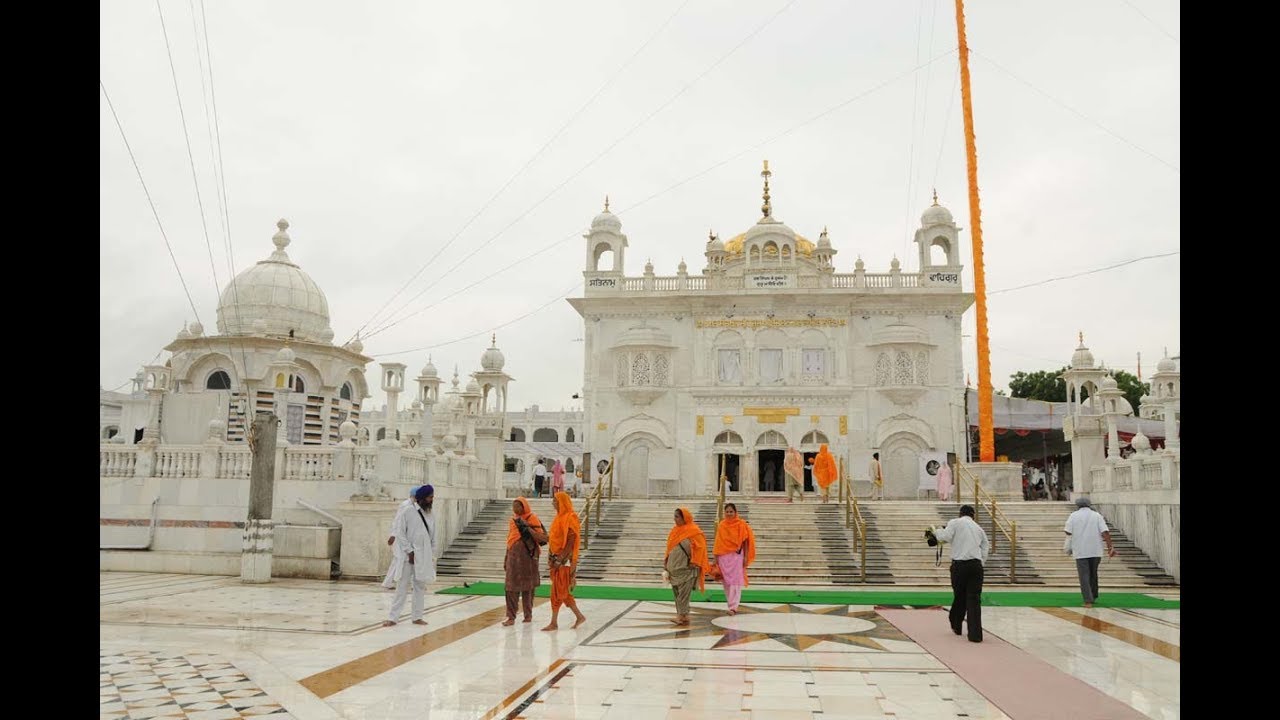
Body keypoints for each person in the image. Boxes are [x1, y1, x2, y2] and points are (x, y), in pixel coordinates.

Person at [929, 504, 990, 642]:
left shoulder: (955, 523)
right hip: (976, 566)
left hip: (960, 566)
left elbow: (945, 536)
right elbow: (986, 546)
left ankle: (956, 623)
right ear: (973, 515)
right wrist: (981, 562)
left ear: (960, 514)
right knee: (974, 599)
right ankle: (975, 635)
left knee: (959, 595)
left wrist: (936, 531)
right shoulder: (979, 528)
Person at [383, 485, 437, 627]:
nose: (432, 499)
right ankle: (393, 618)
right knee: (402, 586)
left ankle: (417, 616)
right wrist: (409, 551)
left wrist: (431, 554)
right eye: (429, 497)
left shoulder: (430, 514)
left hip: (423, 557)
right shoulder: (407, 511)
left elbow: (432, 537)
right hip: (408, 556)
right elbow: (400, 533)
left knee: (419, 587)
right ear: (422, 498)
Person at [542, 491, 587, 631]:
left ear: (562, 502)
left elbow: (571, 541)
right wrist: (551, 555)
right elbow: (554, 539)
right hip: (556, 559)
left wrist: (561, 558)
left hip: (564, 561)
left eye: (555, 501)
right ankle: (579, 616)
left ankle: (554, 622)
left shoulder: (570, 518)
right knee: (562, 592)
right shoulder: (558, 518)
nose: (553, 503)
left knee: (557, 592)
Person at [1064, 497, 1116, 608]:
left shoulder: (1073, 516)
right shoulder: (1096, 516)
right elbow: (1105, 532)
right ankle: (1094, 595)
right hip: (1096, 550)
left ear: (1078, 505)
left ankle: (1088, 600)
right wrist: (1110, 547)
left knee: (1084, 576)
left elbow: (1067, 531)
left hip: (1081, 550)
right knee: (1093, 573)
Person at [502, 497, 546, 626]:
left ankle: (528, 614)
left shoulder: (532, 518)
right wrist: (506, 558)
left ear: (524, 507)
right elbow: (510, 540)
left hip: (528, 558)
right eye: (513, 506)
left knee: (528, 587)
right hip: (513, 558)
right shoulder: (513, 521)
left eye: (518, 506)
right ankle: (511, 616)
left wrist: (527, 527)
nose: (515, 509)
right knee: (510, 587)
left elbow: (542, 538)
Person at [663, 507, 709, 626]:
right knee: (677, 593)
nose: (675, 519)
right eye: (674, 516)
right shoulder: (674, 531)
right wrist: (666, 562)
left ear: (684, 518)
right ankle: (684, 615)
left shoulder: (694, 531)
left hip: (687, 569)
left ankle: (680, 615)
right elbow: (669, 548)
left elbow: (701, 548)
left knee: (684, 594)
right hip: (674, 568)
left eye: (677, 517)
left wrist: (695, 561)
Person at [711, 503, 755, 615]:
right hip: (723, 557)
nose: (729, 514)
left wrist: (745, 557)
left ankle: (734, 607)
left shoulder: (741, 524)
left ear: (735, 513)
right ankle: (730, 604)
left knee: (735, 582)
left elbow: (745, 541)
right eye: (727, 512)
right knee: (726, 582)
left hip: (737, 556)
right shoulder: (722, 525)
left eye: (731, 511)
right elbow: (718, 542)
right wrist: (715, 558)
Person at [381, 485, 421, 590]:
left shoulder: (415, 506)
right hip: (401, 539)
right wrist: (393, 535)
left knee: (409, 561)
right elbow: (398, 521)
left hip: (410, 538)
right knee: (399, 560)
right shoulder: (405, 505)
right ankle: (389, 582)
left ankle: (392, 582)